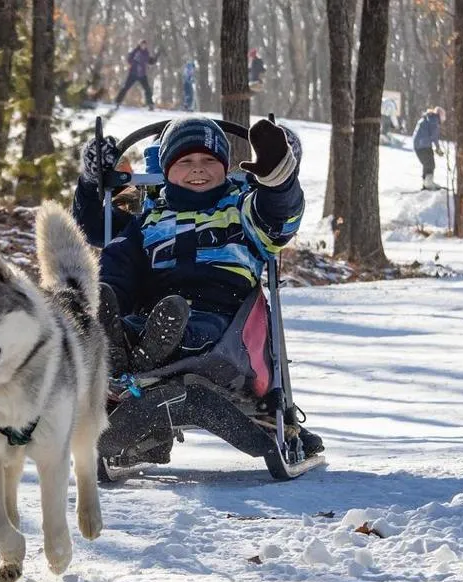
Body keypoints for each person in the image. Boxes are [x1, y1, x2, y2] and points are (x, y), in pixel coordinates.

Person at [73, 115, 321, 454]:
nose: (198, 168)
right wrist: (106, 300)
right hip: (154, 313)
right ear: (166, 170)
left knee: (188, 325)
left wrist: (278, 177)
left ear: (225, 167)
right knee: (125, 310)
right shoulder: (148, 222)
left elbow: (280, 216)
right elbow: (109, 250)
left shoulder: (243, 210)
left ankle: (150, 351)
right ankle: (120, 343)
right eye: (186, 161)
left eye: (209, 160)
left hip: (224, 319)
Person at [115, 40, 161, 109]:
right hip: (133, 74)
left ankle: (150, 104)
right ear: (140, 45)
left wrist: (157, 56)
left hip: (142, 75)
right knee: (125, 87)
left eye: (145, 45)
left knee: (147, 89)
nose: (144, 46)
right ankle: (118, 101)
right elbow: (129, 59)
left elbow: (151, 61)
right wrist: (133, 62)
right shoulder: (136, 51)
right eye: (142, 45)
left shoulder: (146, 53)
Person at [412, 106, 445, 190]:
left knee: (426, 164)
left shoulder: (428, 118)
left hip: (418, 145)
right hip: (424, 145)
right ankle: (429, 184)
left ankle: (425, 183)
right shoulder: (434, 120)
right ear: (440, 115)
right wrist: (438, 148)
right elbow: (434, 136)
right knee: (430, 164)